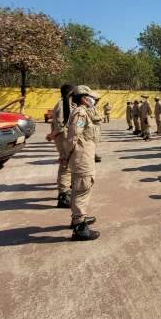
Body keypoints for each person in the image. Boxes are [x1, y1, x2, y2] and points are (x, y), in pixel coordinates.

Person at [64, 85, 100, 241]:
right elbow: (73, 137)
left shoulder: (84, 112)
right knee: (82, 189)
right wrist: (67, 155)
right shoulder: (80, 113)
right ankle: (79, 227)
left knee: (81, 188)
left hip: (84, 156)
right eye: (92, 98)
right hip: (81, 157)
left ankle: (78, 217)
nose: (94, 100)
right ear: (85, 99)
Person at [46, 83, 75, 209]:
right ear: (70, 93)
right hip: (63, 137)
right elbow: (61, 124)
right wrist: (53, 135)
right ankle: (63, 195)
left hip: (64, 137)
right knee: (66, 164)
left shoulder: (66, 103)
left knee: (69, 163)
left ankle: (66, 189)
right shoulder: (64, 104)